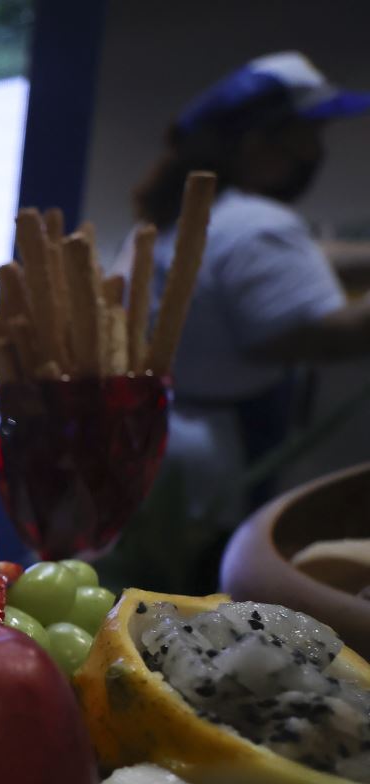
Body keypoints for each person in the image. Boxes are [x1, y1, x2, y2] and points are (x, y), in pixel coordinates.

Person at [127, 52, 370, 534]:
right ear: (260, 142)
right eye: (309, 135)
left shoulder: (198, 217)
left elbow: (305, 258)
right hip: (220, 470)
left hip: (169, 454)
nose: (317, 152)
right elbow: (326, 335)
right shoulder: (260, 225)